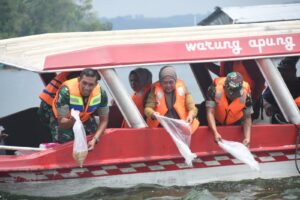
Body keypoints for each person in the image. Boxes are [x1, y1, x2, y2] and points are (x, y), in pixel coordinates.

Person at [51, 68, 109, 150]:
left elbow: (104, 120)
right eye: (84, 83)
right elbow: (62, 123)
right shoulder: (65, 92)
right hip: (64, 120)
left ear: (96, 84)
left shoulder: (101, 94)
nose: (86, 87)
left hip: (84, 118)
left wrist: (95, 139)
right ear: (79, 80)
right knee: (65, 147)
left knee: (93, 140)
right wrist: (72, 121)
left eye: (90, 84)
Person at [144, 65, 199, 133]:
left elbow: (193, 109)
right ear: (160, 82)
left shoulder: (183, 89)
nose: (168, 85)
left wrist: (190, 116)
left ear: (175, 81)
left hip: (182, 127)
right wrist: (153, 114)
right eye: (165, 83)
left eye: (171, 82)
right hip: (162, 128)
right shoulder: (154, 91)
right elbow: (147, 109)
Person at [206, 72, 253, 147]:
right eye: (232, 93)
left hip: (235, 121)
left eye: (237, 93)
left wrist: (247, 138)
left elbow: (247, 117)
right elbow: (210, 112)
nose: (234, 96)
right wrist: (215, 132)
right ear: (225, 87)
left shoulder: (245, 93)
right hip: (216, 120)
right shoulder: (214, 88)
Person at [262, 56, 300, 123]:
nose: (282, 73)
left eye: (285, 70)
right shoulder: (278, 85)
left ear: (293, 71)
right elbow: (263, 98)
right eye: (280, 70)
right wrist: (266, 104)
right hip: (281, 119)